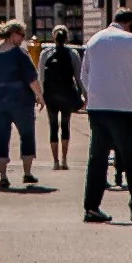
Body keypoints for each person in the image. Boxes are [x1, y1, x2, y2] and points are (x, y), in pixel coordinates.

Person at [78, 7, 132, 224]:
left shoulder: (94, 40)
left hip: (97, 108)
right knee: (131, 159)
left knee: (98, 158)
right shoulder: (131, 40)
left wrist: (95, 94)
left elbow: (84, 75)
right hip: (122, 108)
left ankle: (92, 207)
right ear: (131, 23)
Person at [0, 19, 39, 190]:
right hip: (21, 104)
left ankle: (3, 176)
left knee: (0, 139)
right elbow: (32, 79)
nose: (23, 38)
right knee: (27, 136)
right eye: (21, 35)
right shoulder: (20, 55)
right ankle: (27, 173)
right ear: (12, 35)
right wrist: (40, 96)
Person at [39, 25, 85, 171]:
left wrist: (40, 96)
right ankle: (65, 160)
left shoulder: (45, 54)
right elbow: (79, 77)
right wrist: (84, 94)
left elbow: (41, 77)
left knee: (53, 126)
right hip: (67, 96)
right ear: (67, 37)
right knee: (65, 126)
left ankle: (55, 161)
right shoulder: (73, 54)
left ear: (53, 37)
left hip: (50, 96)